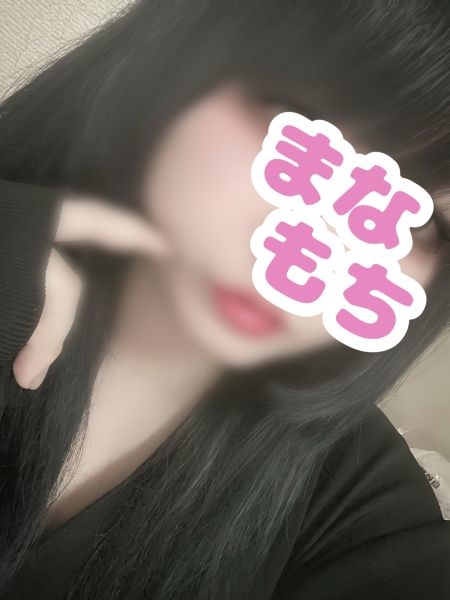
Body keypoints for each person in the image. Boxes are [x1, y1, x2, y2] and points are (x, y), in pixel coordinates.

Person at [0, 1, 449, 598]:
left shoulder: (359, 502)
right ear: (171, 62)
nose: (325, 240)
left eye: (417, 221)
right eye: (302, 129)